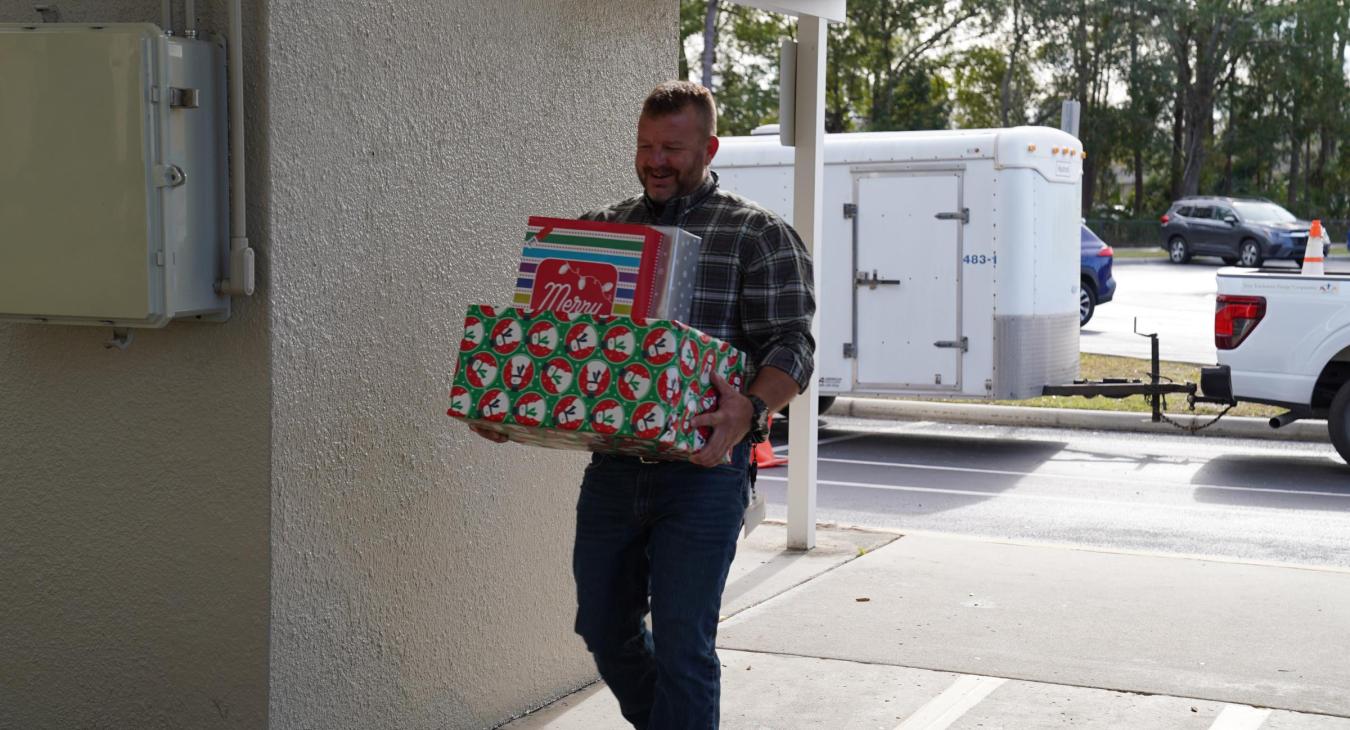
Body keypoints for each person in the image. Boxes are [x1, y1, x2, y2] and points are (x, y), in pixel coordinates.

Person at [475, 80, 815, 728]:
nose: (656, 161)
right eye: (645, 146)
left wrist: (749, 407)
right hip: (615, 467)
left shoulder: (757, 234)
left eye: (673, 149)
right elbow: (560, 345)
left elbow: (793, 346)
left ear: (709, 149)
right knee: (603, 626)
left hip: (705, 473)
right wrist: (512, 406)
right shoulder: (602, 231)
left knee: (685, 646)